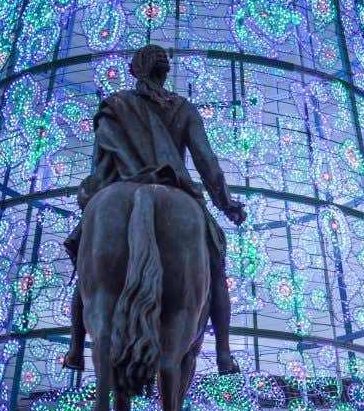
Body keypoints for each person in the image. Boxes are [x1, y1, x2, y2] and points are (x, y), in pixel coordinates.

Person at [62, 45, 246, 374]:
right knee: (216, 267)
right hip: (175, 188)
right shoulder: (182, 108)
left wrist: (94, 193)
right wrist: (225, 202)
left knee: (86, 263)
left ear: (135, 71)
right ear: (165, 73)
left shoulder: (114, 106)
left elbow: (99, 164)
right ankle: (223, 353)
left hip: (120, 185)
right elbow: (207, 161)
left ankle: (76, 346)